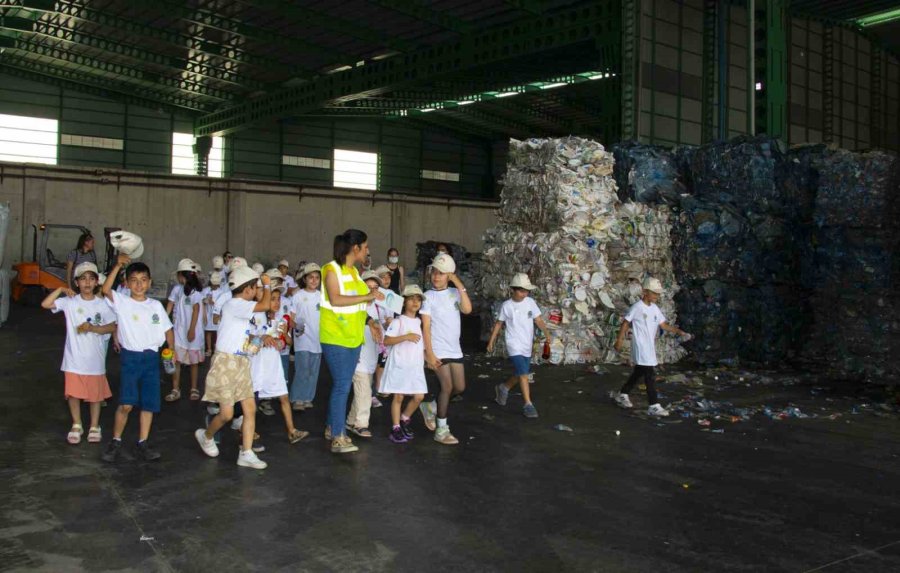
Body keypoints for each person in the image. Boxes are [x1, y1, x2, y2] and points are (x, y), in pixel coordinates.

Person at [194, 266, 272, 469]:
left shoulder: (239, 307)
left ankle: (246, 452)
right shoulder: (235, 304)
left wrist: (254, 339)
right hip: (225, 364)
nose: (257, 291)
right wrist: (267, 285)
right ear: (247, 290)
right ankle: (206, 436)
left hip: (240, 361)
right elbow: (265, 305)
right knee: (227, 414)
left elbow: (239, 331)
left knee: (250, 409)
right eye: (255, 287)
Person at [100, 254, 175, 462]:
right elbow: (105, 289)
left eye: (143, 280)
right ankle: (115, 441)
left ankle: (143, 442)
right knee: (126, 403)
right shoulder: (122, 302)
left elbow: (168, 329)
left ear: (149, 282)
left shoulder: (156, 306)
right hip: (131, 358)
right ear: (126, 283)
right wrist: (118, 265)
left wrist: (172, 349)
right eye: (133, 280)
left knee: (149, 404)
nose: (139, 285)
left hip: (151, 359)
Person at [320, 229, 384, 454]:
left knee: (342, 386)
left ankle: (332, 427)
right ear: (355, 248)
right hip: (336, 338)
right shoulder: (331, 269)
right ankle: (338, 436)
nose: (367, 251)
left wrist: (370, 320)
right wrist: (367, 296)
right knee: (342, 386)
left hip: (353, 339)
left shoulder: (355, 272)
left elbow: (357, 305)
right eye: (365, 247)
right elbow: (336, 299)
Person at [42, 262, 117, 445]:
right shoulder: (70, 302)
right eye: (83, 279)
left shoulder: (103, 304)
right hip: (73, 359)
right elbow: (46, 304)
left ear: (97, 282)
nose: (87, 282)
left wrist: (93, 328)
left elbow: (112, 326)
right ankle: (76, 424)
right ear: (76, 283)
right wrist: (61, 289)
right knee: (73, 394)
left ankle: (94, 426)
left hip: (95, 359)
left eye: (91, 279)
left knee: (95, 396)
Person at [612, 277, 690, 417]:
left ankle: (622, 393)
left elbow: (663, 325)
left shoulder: (654, 308)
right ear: (645, 292)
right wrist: (619, 340)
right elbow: (625, 323)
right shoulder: (637, 307)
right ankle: (653, 405)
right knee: (649, 374)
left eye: (658, 293)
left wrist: (678, 331)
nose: (656, 296)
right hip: (640, 345)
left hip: (649, 346)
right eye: (654, 293)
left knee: (639, 372)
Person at [419, 253, 472, 445]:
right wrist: (429, 353)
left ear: (449, 275)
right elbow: (425, 327)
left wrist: (457, 282)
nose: (436, 276)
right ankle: (442, 430)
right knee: (447, 387)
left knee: (460, 387)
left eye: (441, 273)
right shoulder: (428, 296)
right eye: (434, 272)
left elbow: (467, 309)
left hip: (454, 349)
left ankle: (430, 406)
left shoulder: (455, 293)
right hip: (438, 349)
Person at [487, 273, 551, 419]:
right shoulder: (507, 305)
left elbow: (538, 320)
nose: (525, 294)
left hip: (527, 343)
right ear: (513, 290)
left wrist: (547, 333)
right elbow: (499, 323)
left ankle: (504, 388)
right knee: (523, 374)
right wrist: (491, 341)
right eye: (522, 291)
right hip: (513, 343)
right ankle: (528, 404)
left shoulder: (530, 302)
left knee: (521, 372)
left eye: (526, 291)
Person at [249, 287, 309, 444]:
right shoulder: (255, 317)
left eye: (278, 299)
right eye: (272, 299)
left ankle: (292, 431)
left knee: (284, 396)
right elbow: (248, 342)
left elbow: (288, 342)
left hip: (274, 366)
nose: (276, 302)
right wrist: (262, 338)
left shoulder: (280, 321)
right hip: (257, 366)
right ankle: (247, 431)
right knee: (252, 401)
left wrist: (283, 337)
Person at [381, 285, 427, 444]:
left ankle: (404, 418)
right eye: (411, 299)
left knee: (419, 396)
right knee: (399, 396)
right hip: (400, 363)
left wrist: (427, 358)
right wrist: (405, 337)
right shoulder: (398, 321)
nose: (415, 302)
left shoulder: (420, 322)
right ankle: (395, 427)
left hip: (415, 365)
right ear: (404, 302)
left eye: (418, 299)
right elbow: (386, 340)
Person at [345, 270, 385, 438]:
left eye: (375, 288)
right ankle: (361, 424)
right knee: (365, 393)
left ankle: (350, 420)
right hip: (358, 356)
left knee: (362, 391)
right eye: (368, 287)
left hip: (371, 357)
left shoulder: (378, 307)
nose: (372, 291)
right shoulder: (354, 307)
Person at [165, 259, 205, 402]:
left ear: (182, 275)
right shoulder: (177, 289)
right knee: (177, 360)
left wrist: (191, 330)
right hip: (179, 330)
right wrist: (164, 321)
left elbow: (196, 310)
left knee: (193, 362)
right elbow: (170, 304)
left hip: (192, 331)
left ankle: (194, 388)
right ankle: (175, 389)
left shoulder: (196, 292)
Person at [289, 263, 322, 411]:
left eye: (317, 278)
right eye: (311, 277)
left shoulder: (322, 297)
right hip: (302, 339)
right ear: (305, 279)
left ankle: (308, 397)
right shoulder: (298, 296)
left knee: (313, 371)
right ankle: (297, 398)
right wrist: (296, 327)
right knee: (302, 370)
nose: (314, 280)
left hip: (318, 340)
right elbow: (291, 318)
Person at [203, 271, 227, 357]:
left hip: (217, 314)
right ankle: (209, 349)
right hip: (208, 313)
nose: (214, 286)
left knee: (217, 332)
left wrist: (214, 303)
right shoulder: (205, 290)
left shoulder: (222, 292)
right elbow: (201, 301)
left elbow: (224, 304)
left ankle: (216, 348)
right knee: (208, 331)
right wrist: (205, 301)